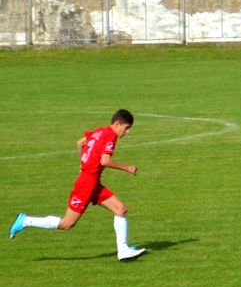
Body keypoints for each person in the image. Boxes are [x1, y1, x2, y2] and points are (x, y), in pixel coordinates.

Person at [8, 109, 146, 262]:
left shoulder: (100, 131)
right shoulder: (111, 136)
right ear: (117, 124)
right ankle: (25, 220)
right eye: (126, 128)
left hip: (92, 181)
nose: (127, 132)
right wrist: (127, 167)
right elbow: (105, 161)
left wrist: (84, 163)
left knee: (120, 209)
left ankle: (123, 251)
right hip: (86, 184)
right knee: (67, 224)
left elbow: (80, 143)